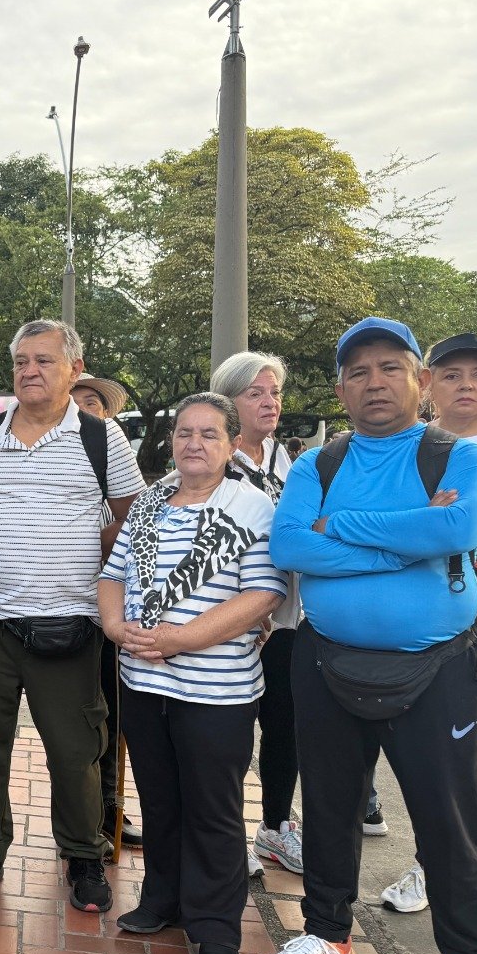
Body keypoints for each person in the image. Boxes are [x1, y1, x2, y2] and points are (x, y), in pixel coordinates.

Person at [264, 317, 477, 954]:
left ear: (419, 380)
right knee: (330, 806)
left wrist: (338, 529)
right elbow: (289, 544)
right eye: (358, 372)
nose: (374, 382)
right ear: (341, 387)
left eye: (389, 368)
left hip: (439, 667)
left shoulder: (457, 456)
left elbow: (456, 531)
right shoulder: (319, 463)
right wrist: (405, 540)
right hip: (327, 661)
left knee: (450, 819)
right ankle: (327, 934)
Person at [0, 320, 144, 912]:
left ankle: (84, 855)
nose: (29, 370)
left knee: (76, 749)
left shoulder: (102, 438)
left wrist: (78, 548)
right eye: (21, 361)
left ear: (74, 369)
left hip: (70, 622)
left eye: (44, 360)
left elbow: (132, 513)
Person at [99, 394, 286, 954]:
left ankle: (215, 927)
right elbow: (113, 575)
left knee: (213, 810)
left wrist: (181, 639)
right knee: (160, 800)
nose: (194, 443)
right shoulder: (151, 500)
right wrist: (114, 626)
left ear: (231, 445)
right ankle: (163, 900)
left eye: (209, 434)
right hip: (143, 681)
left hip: (217, 690)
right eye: (184, 432)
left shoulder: (252, 506)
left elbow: (263, 594)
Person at [378, 334, 477, 947]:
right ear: (428, 384)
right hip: (426, 614)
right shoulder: (411, 445)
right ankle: (431, 865)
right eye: (450, 374)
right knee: (431, 748)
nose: (465, 385)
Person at [210, 351, 303, 880]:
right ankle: (227, 834)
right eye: (256, 393)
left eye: (275, 393)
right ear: (229, 401)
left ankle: (275, 826)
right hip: (232, 619)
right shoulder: (215, 460)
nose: (270, 403)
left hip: (287, 617)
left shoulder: (286, 460)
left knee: (284, 725)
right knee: (230, 731)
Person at [70, 371, 144, 853]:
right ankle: (81, 812)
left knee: (113, 717)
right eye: (74, 402)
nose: (82, 410)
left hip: (110, 611)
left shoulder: (116, 467)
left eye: (92, 403)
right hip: (59, 610)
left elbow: (137, 524)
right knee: (75, 721)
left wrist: (78, 540)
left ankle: (110, 808)